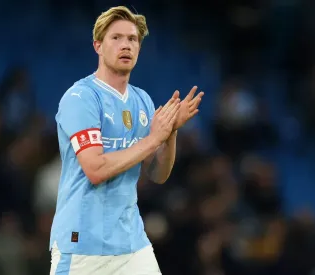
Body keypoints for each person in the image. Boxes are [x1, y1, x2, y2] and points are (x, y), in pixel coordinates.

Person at [50, 6, 204, 275]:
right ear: (98, 45)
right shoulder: (81, 98)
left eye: (132, 39)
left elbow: (157, 174)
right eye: (116, 38)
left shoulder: (141, 100)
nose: (126, 45)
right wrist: (153, 138)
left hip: (132, 244)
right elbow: (95, 169)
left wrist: (169, 135)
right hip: (82, 245)